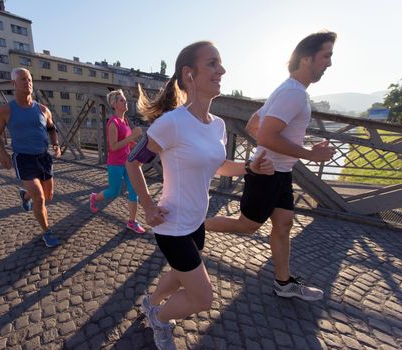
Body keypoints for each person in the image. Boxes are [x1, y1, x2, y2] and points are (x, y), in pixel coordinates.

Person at [126, 41, 274, 350]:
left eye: (220, 64)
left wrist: (250, 167)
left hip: (197, 223)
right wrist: (149, 206)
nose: (222, 70)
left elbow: (218, 166)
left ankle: (150, 303)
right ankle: (161, 319)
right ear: (189, 74)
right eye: (213, 63)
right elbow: (132, 163)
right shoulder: (171, 124)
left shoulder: (217, 125)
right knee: (202, 297)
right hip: (172, 226)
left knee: (180, 276)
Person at [206, 31, 337, 301]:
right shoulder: (293, 95)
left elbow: (255, 124)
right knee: (247, 225)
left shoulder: (288, 90)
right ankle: (192, 226)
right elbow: (265, 134)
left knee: (284, 223)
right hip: (268, 173)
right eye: (326, 56)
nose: (329, 63)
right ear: (306, 58)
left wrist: (268, 149)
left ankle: (283, 282)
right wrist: (309, 154)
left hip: (280, 172)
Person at [0, 67, 61, 248]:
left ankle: (25, 196)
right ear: (13, 84)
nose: (27, 83)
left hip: (43, 157)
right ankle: (47, 231)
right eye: (23, 79)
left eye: (29, 79)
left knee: (48, 196)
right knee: (39, 198)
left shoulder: (43, 109)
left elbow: (52, 128)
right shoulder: (5, 110)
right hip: (23, 158)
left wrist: (56, 144)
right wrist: (2, 152)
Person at [89, 89, 146, 233]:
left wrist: (138, 149)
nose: (125, 101)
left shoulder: (124, 120)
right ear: (114, 104)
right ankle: (95, 197)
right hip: (115, 163)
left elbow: (127, 143)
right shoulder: (113, 123)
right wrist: (132, 137)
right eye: (122, 100)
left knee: (134, 191)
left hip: (128, 162)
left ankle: (132, 222)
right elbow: (113, 147)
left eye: (125, 99)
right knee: (114, 192)